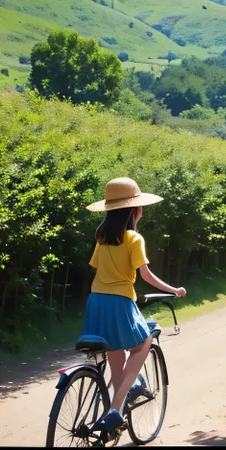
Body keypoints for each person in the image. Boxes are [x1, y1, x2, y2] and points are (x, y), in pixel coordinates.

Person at [83, 177, 187, 436]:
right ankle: (115, 411)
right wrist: (173, 289)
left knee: (115, 359)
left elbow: (97, 269)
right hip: (120, 303)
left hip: (96, 302)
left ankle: (111, 425)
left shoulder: (101, 237)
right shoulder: (134, 238)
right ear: (135, 210)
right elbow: (146, 275)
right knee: (145, 342)